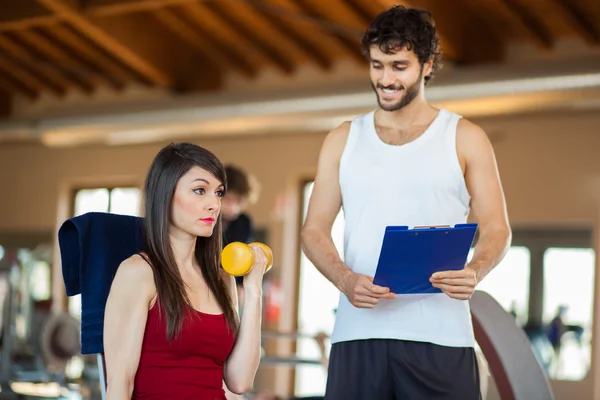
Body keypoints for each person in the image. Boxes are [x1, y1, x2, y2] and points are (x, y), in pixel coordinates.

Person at [301, 6, 511, 400]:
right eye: (377, 65)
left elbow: (497, 228)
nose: (385, 79)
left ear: (427, 65)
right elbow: (313, 231)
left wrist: (475, 271)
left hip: (442, 336)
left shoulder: (465, 137)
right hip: (358, 333)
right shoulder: (342, 139)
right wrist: (346, 280)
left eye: (399, 66)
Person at [103, 142, 268, 399]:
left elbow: (240, 381)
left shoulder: (220, 278)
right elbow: (119, 385)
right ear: (165, 194)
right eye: (200, 190)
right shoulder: (138, 273)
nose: (214, 204)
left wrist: (255, 290)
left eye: (219, 193)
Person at [222, 164, 260, 306]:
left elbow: (243, 258)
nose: (233, 208)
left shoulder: (244, 222)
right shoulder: (205, 221)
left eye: (238, 201)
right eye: (228, 199)